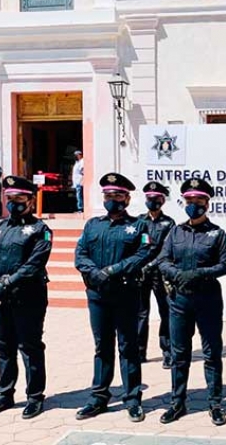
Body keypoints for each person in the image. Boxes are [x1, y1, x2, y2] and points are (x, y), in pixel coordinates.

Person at [74, 173, 152, 423]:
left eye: (117, 196)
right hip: (97, 295)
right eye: (108, 196)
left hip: (125, 294)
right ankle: (98, 397)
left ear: (127, 198)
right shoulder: (93, 225)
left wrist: (113, 270)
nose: (112, 200)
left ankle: (132, 399)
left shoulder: (139, 226)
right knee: (102, 346)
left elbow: (143, 253)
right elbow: (80, 253)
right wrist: (95, 272)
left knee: (128, 347)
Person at [0, 176, 52, 419]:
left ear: (30, 200)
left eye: (19, 199)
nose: (14, 203)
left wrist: (7, 283)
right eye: (10, 198)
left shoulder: (40, 230)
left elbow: (34, 264)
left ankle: (34, 396)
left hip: (27, 297)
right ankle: (5, 393)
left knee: (29, 346)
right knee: (3, 345)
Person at [158, 178, 226, 426]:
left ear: (207, 203)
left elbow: (224, 265)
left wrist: (198, 274)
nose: (193, 205)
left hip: (207, 299)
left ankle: (215, 403)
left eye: (198, 201)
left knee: (212, 353)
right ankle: (177, 403)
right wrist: (176, 274)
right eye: (189, 201)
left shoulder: (217, 233)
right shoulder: (175, 231)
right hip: (179, 300)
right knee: (180, 354)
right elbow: (163, 260)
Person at [137, 181, 175, 368]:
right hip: (140, 274)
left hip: (160, 274)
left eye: (156, 198)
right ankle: (139, 351)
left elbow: (166, 250)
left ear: (162, 200)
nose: (152, 201)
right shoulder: (138, 221)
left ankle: (167, 351)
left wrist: (151, 264)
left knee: (165, 312)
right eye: (149, 198)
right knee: (140, 313)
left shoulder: (169, 223)